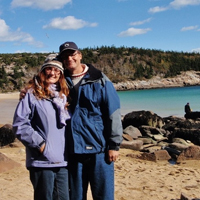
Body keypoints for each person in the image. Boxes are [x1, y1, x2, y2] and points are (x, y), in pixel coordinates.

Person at [57, 41, 123, 200]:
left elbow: (113, 112)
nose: (69, 59)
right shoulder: (60, 82)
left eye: (72, 54)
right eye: (65, 57)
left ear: (79, 55)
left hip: (99, 149)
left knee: (104, 195)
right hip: (72, 150)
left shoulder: (99, 79)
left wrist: (114, 145)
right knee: (76, 196)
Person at [13, 54, 71, 200]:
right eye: (49, 69)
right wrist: (41, 145)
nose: (53, 73)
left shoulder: (63, 96)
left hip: (62, 160)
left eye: (57, 70)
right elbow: (20, 124)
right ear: (42, 71)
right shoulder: (32, 94)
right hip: (42, 161)